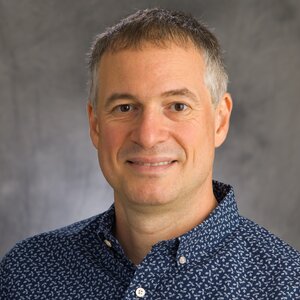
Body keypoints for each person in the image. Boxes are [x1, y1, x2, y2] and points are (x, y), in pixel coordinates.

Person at [1, 8, 299, 299]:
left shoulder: (286, 285)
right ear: (95, 125)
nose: (148, 135)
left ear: (220, 120)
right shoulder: (24, 274)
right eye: (125, 108)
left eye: (178, 106)